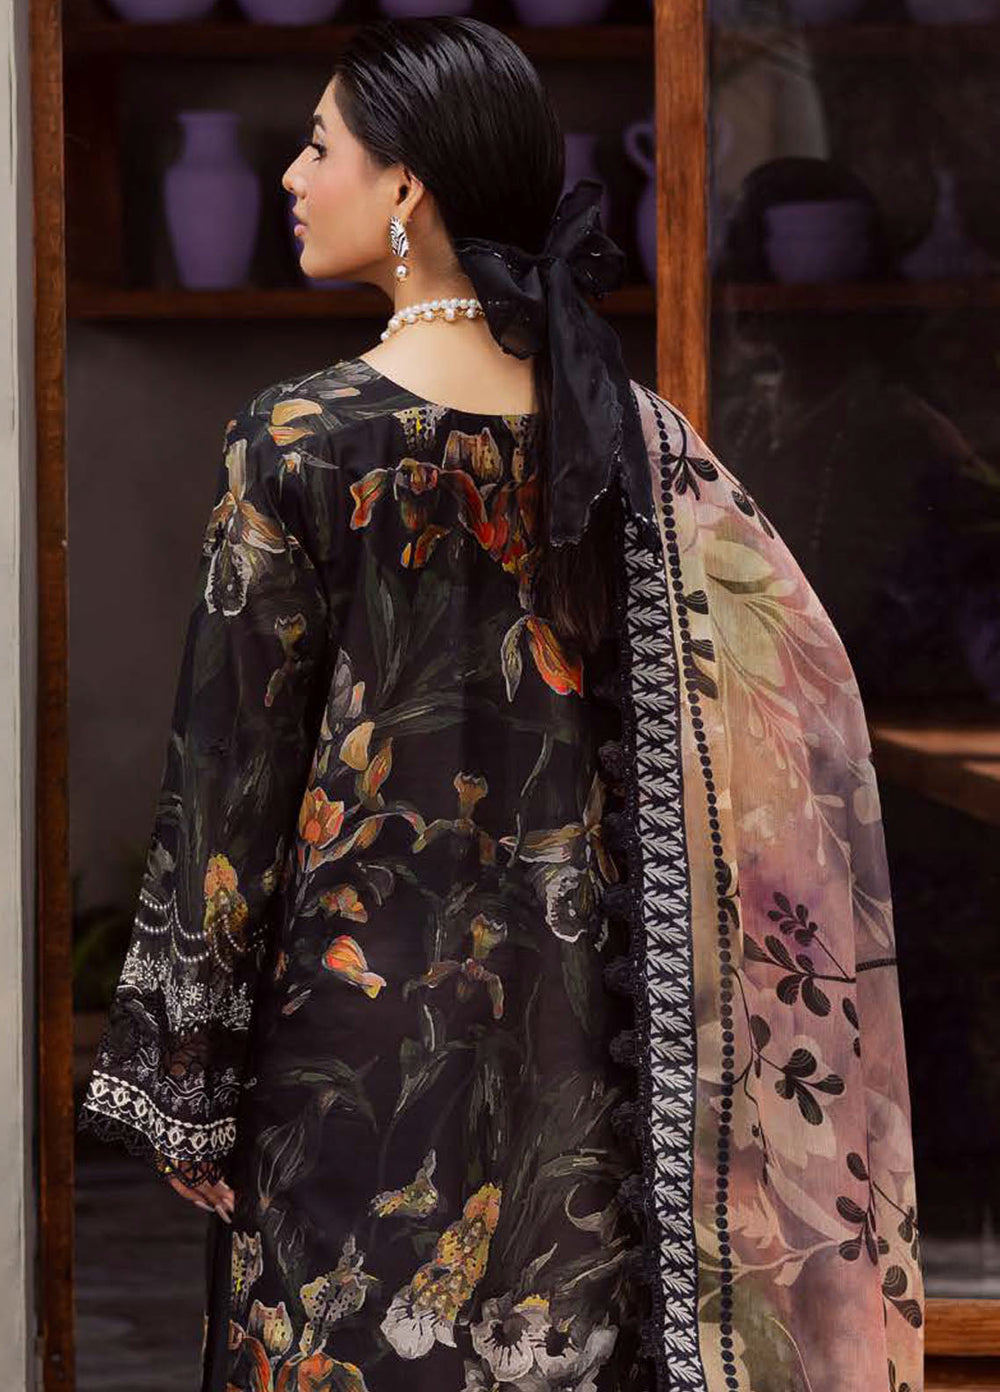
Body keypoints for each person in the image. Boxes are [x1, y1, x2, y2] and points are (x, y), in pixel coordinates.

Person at [77, 17, 925, 1392]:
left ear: (406, 185)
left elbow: (228, 777)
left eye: (318, 146)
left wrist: (185, 1076)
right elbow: (800, 716)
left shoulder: (297, 442)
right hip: (585, 1039)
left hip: (348, 1043)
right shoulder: (631, 439)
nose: (292, 176)